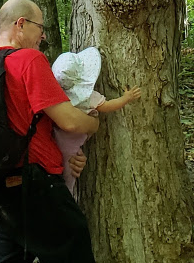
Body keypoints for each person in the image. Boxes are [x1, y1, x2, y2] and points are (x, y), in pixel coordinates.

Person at [0, 0, 101, 263]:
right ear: (20, 25)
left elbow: (26, 125)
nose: (43, 35)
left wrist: (66, 154)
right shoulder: (28, 59)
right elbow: (68, 119)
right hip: (36, 187)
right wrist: (93, 123)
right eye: (39, 27)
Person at [51, 47, 140, 196]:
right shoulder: (89, 97)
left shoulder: (59, 98)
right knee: (69, 174)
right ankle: (68, 196)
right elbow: (107, 106)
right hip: (73, 142)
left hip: (58, 139)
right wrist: (126, 98)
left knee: (66, 170)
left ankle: (66, 195)